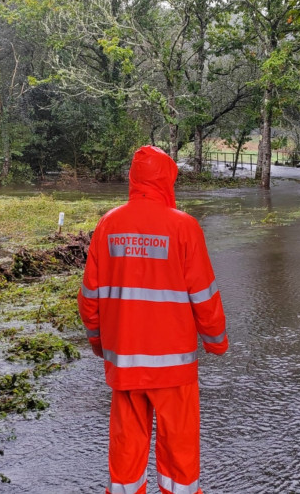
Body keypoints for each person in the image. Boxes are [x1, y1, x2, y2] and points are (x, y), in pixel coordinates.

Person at [78, 145, 229, 494]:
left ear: (134, 179)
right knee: (180, 450)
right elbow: (204, 295)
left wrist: (99, 343)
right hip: (173, 366)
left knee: (126, 450)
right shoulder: (184, 227)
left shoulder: (108, 224)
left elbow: (89, 298)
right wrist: (216, 341)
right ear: (167, 179)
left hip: (125, 360)